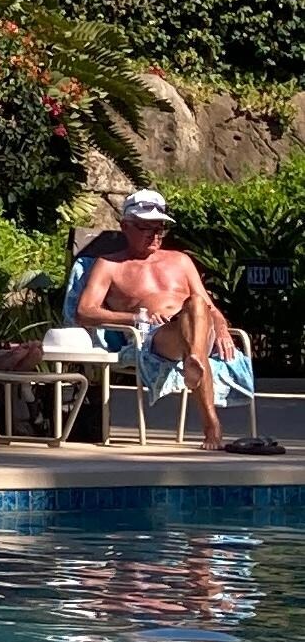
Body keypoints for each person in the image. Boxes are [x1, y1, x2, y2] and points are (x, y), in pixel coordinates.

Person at [74, 189, 256, 457]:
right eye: (145, 227)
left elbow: (209, 306)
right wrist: (137, 317)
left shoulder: (181, 260)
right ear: (125, 226)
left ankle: (194, 359)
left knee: (196, 303)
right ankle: (211, 424)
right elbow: (85, 312)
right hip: (157, 336)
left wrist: (220, 327)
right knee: (194, 311)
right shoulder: (110, 265)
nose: (155, 235)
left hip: (198, 327)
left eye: (160, 228)